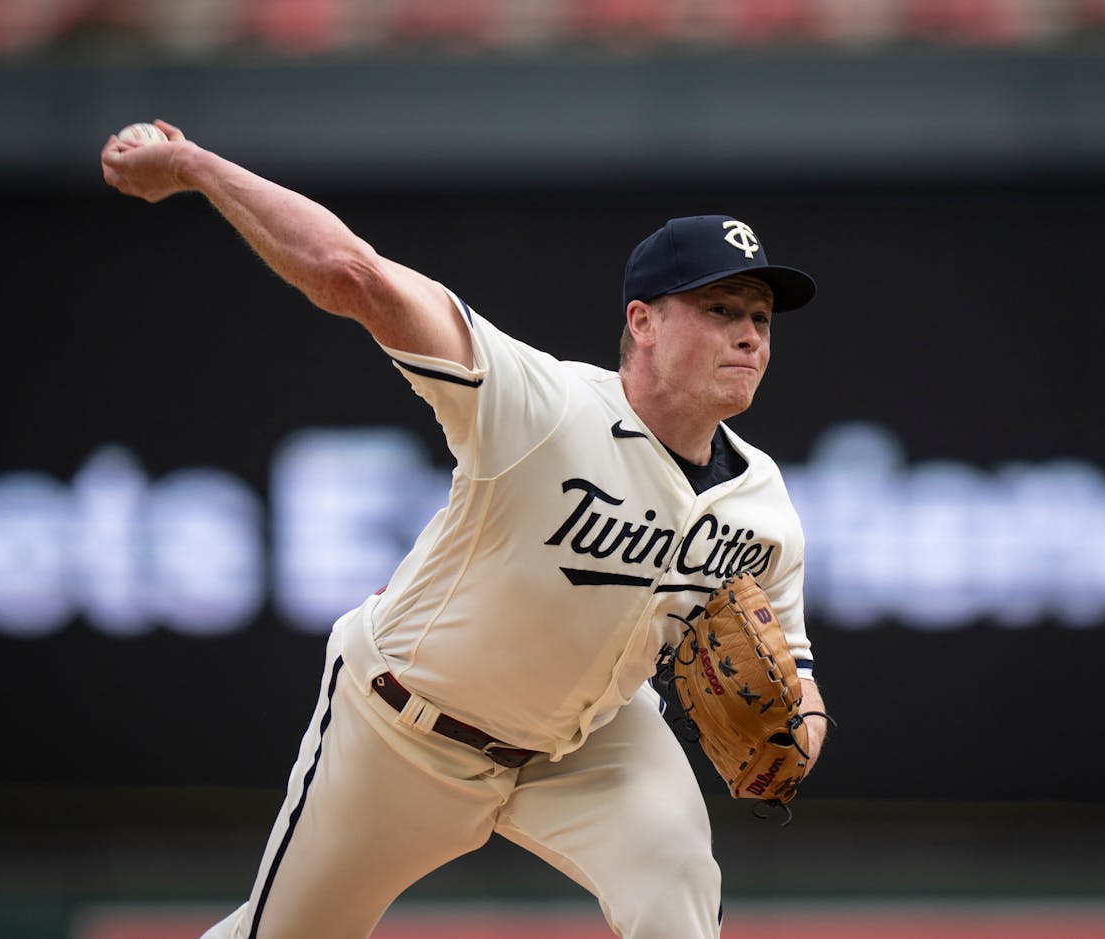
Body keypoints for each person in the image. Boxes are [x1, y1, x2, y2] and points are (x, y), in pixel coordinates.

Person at [101, 119, 828, 939]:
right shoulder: (542, 408)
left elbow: (799, 681)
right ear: (644, 322)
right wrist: (195, 165)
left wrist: (796, 734)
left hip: (589, 744)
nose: (748, 334)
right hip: (403, 728)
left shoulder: (762, 504)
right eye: (720, 306)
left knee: (678, 882)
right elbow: (354, 274)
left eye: (762, 317)